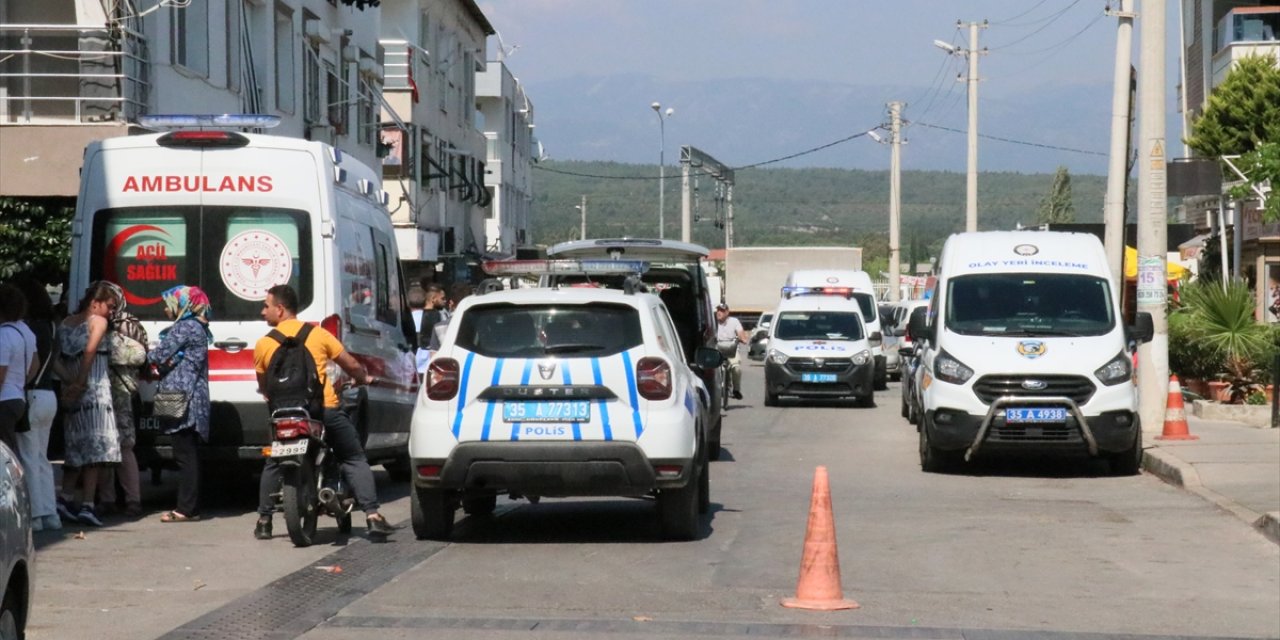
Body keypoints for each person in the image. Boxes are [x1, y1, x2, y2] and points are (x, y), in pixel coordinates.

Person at [252, 284, 396, 540]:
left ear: (280, 309)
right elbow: (349, 364)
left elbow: (264, 387)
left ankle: (264, 521)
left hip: (284, 416)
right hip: (322, 412)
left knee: (273, 462)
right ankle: (372, 516)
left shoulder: (263, 344)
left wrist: (272, 397)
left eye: (266, 306)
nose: (263, 312)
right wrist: (363, 377)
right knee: (353, 457)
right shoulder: (317, 334)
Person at [53, 281, 122, 527]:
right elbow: (91, 352)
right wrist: (81, 382)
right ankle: (88, 504)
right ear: (95, 303)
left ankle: (65, 498)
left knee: (75, 447)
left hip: (70, 393)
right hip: (94, 391)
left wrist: (69, 382)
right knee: (94, 450)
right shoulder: (98, 322)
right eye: (110, 306)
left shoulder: (65, 324)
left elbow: (55, 359)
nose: (112, 312)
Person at [147, 285, 211, 523]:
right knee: (188, 453)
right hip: (189, 395)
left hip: (183, 397)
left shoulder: (185, 327)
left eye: (169, 304)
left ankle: (186, 508)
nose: (166, 309)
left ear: (183, 305)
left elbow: (158, 354)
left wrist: (139, 352)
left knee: (184, 454)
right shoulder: (198, 327)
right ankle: (189, 506)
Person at [94, 281, 147, 518]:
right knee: (105, 448)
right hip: (98, 394)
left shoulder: (126, 325)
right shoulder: (89, 325)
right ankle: (107, 499)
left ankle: (132, 500)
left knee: (125, 447)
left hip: (121, 394)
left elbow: (139, 354)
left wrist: (108, 346)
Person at [13, 276, 61, 531]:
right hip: (48, 394)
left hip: (32, 394)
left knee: (28, 457)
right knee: (41, 457)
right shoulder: (52, 326)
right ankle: (50, 512)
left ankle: (35, 516)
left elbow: (29, 366)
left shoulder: (28, 328)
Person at [0, 284, 37, 457]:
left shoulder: (4, 334)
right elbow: (36, 363)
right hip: (17, 397)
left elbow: (1, 373)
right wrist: (20, 381)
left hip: (4, 399)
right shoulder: (25, 331)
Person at [714, 303, 749, 400]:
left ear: (727, 312)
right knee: (712, 368)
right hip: (717, 349)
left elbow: (741, 333)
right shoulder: (713, 321)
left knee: (736, 368)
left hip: (731, 349)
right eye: (718, 310)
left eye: (722, 311)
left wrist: (743, 339)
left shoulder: (734, 321)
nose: (719, 313)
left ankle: (736, 390)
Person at [427, 283, 472, 351]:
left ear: (451, 303)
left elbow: (433, 355)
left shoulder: (439, 328)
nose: (445, 301)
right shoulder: (482, 324)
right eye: (442, 299)